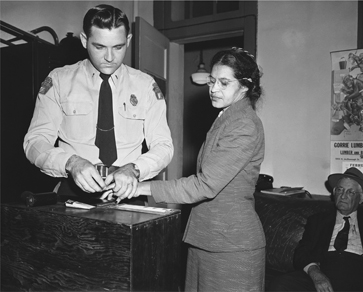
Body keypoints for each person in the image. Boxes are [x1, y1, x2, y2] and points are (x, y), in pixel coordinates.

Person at [106, 47, 266, 291]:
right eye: (212, 81)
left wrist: (138, 187)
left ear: (245, 86)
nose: (213, 89)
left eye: (224, 83)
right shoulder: (227, 117)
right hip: (207, 238)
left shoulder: (244, 124)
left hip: (231, 246)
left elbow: (204, 185)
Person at [23, 4, 173, 203]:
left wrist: (135, 169)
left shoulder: (145, 86)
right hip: (72, 194)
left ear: (128, 40)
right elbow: (34, 141)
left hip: (128, 194)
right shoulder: (59, 80)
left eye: (118, 47)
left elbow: (163, 146)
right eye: (99, 47)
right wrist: (71, 163)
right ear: (85, 40)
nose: (109, 58)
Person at [267, 167, 363, 292]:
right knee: (280, 285)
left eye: (350, 192)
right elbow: (301, 253)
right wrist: (315, 273)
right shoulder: (318, 220)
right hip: (323, 269)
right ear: (334, 193)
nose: (343, 196)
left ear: (361, 198)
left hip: (356, 273)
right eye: (340, 190)